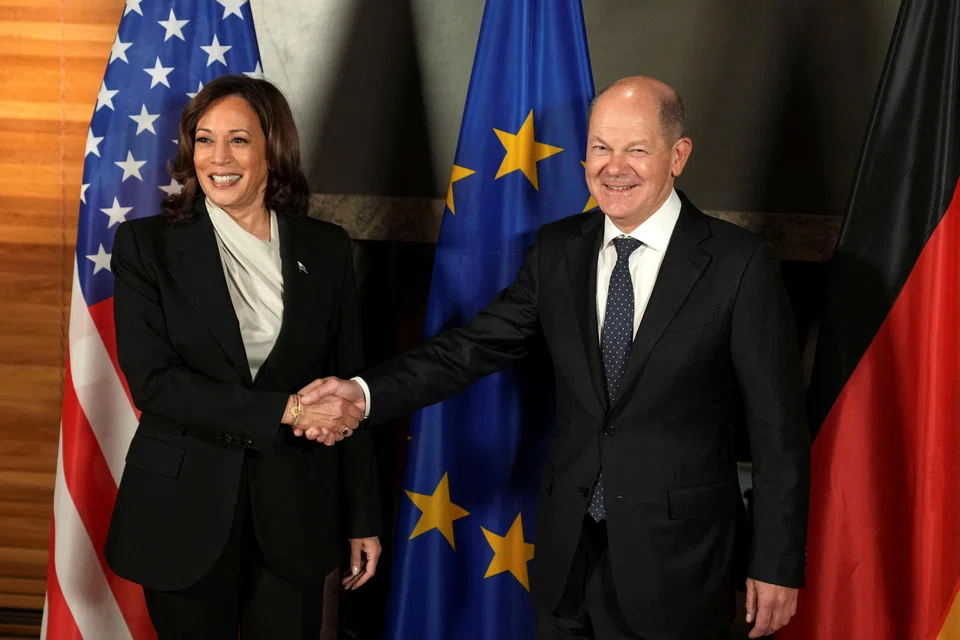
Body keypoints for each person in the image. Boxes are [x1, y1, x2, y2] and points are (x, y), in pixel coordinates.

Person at [300, 77, 810, 639]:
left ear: (678, 156)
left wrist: (775, 563)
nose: (614, 167)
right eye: (600, 148)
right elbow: (470, 348)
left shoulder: (740, 265)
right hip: (568, 559)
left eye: (636, 149)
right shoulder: (559, 249)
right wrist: (363, 393)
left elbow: (777, 430)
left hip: (683, 566)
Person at [104, 75, 382, 639]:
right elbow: (155, 384)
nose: (217, 158)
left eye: (238, 140)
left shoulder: (326, 249)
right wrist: (287, 412)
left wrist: (362, 518)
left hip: (296, 510)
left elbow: (350, 386)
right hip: (183, 510)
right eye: (204, 140)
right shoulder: (146, 246)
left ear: (273, 150)